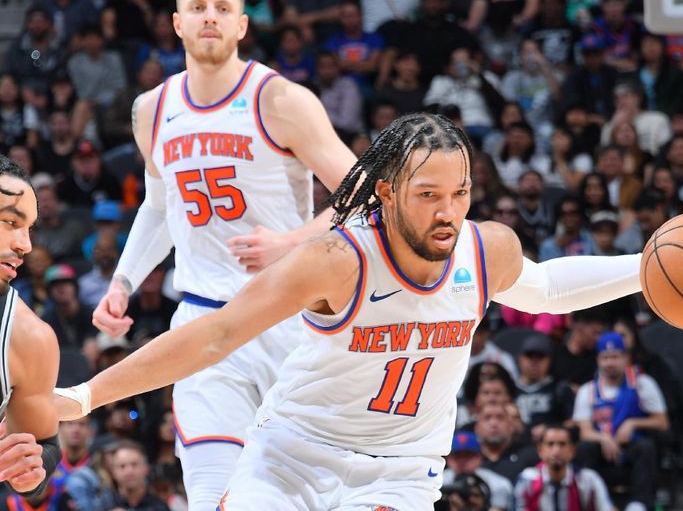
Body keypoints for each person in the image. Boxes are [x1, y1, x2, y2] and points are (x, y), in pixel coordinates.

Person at [57, 113, 645, 508]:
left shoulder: (486, 249)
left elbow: (545, 288)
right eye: (428, 195)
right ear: (386, 193)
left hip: (401, 472)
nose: (449, 212)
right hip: (292, 461)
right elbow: (214, 336)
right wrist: (83, 396)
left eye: (460, 193)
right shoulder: (336, 260)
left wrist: (647, 266)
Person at [87, 0, 356, 509]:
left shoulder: (281, 100)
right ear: (177, 23)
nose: (210, 17)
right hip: (204, 318)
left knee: (311, 492)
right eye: (198, 7)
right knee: (212, 491)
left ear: (241, 26)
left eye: (223, 9)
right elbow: (161, 208)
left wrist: (291, 241)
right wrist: (124, 280)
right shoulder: (152, 110)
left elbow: (366, 199)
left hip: (288, 316)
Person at [0, 156, 62, 499]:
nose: (26, 245)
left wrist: (29, 474)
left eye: (29, 228)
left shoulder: (29, 338)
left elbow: (45, 445)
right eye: (11, 221)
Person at [573, 332, 669, 511]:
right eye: (605, 357)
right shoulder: (589, 390)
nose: (610, 363)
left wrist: (633, 423)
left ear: (626, 358)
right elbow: (585, 431)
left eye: (615, 357)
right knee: (584, 448)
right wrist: (603, 438)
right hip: (603, 447)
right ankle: (593, 502)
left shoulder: (642, 384)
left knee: (646, 447)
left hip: (631, 445)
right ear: (598, 360)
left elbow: (662, 422)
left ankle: (639, 504)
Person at [513, 424, 615, 511]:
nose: (556, 451)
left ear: (572, 451)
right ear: (540, 450)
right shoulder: (527, 480)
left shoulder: (588, 479)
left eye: (562, 444)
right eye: (550, 444)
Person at [443, 431, 513, 511]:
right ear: (448, 459)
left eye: (468, 455)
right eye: (457, 456)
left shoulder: (498, 484)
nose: (462, 461)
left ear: (479, 458)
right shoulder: (436, 481)